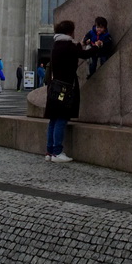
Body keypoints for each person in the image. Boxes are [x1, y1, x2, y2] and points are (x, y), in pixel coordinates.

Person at [44, 20, 93, 163]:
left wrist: (80, 44)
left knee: (53, 119)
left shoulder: (57, 45)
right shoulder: (68, 45)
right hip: (64, 89)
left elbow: (75, 51)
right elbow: (83, 55)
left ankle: (49, 152)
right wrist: (98, 48)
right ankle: (57, 152)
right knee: (61, 118)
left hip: (54, 87)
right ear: (70, 32)